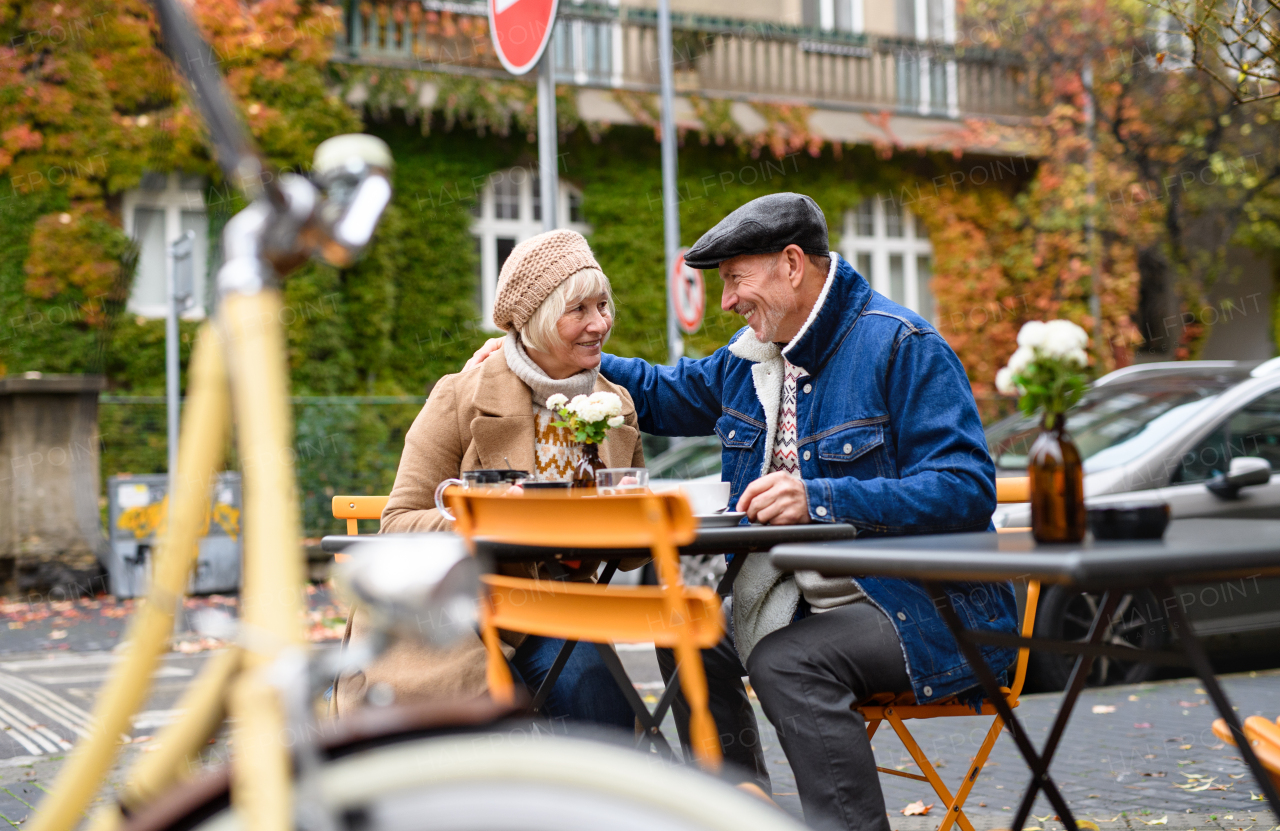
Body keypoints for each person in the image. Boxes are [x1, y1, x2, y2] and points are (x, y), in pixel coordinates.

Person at [464, 193, 1019, 831]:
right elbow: (661, 392)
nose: (726, 300)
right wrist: (542, 352)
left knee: (791, 661)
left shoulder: (902, 345)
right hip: (811, 601)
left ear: (791, 264)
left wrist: (818, 497)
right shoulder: (753, 358)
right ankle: (741, 812)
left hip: (924, 606)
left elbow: (965, 487)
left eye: (735, 279)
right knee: (687, 631)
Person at [334, 229, 644, 731]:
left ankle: (605, 804)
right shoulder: (459, 395)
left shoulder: (616, 403)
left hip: (559, 609)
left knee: (592, 690)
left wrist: (620, 515)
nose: (599, 324)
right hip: (459, 615)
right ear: (538, 319)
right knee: (548, 695)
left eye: (603, 305)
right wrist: (480, 516)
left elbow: (632, 554)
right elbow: (398, 522)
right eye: (579, 310)